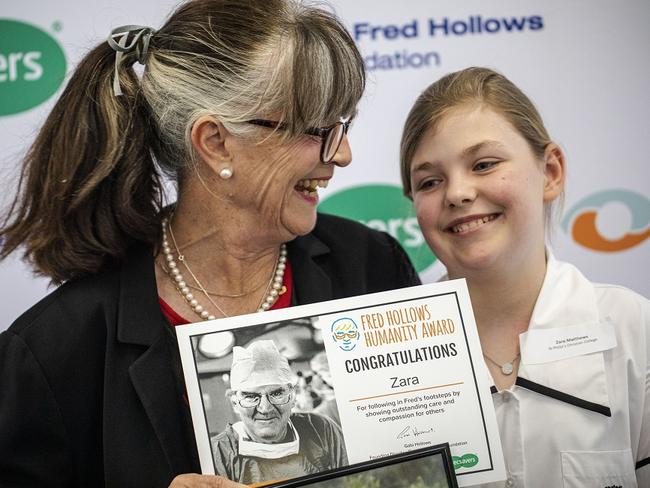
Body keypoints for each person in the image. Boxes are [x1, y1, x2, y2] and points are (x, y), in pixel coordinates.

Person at [0, 1, 420, 487]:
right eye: (318, 131)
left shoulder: (372, 267)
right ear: (216, 141)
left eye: (342, 125)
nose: (342, 154)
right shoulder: (55, 351)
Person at [400, 67, 649, 487]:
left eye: (483, 164)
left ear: (550, 172)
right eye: (430, 181)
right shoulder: (386, 349)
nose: (457, 193)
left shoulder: (633, 329)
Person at [212, 341, 347, 484]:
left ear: (292, 397)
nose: (265, 408)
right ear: (234, 403)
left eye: (276, 394)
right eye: (251, 397)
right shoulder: (219, 453)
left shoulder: (320, 428)